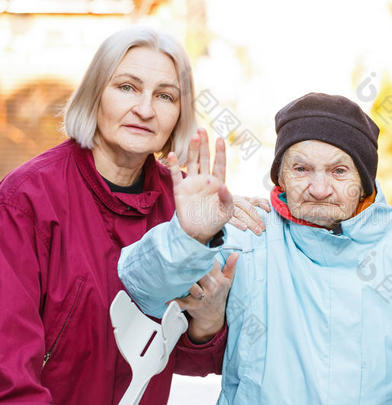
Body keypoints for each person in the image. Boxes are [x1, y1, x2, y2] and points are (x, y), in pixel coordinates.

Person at [118, 93, 392, 404]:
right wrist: (187, 236)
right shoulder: (247, 232)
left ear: (364, 181)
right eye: (302, 169)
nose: (320, 188)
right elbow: (141, 289)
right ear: (280, 175)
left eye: (339, 171)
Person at [0, 28, 231, 405]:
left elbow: (181, 361)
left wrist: (208, 322)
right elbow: (8, 375)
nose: (145, 109)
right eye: (127, 87)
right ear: (94, 95)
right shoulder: (25, 200)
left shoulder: (184, 207)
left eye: (165, 96)